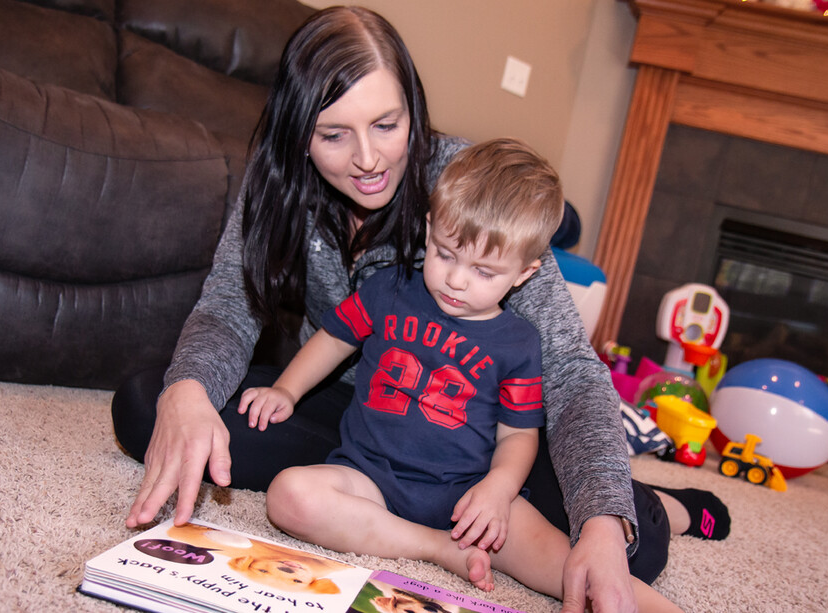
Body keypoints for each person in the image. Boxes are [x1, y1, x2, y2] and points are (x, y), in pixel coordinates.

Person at [110, 7, 729, 613]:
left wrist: (600, 516)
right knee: (149, 410)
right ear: (297, 134)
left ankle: (667, 503)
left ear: (413, 108)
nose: (368, 159)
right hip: (352, 411)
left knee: (626, 550)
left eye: (387, 124)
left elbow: (570, 369)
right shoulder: (275, 186)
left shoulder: (470, 195)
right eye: (333, 135)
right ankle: (410, 523)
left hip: (472, 428)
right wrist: (188, 391)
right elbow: (228, 305)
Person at [240, 138, 681, 612]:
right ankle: (434, 548)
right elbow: (333, 339)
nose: (456, 279)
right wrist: (286, 388)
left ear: (524, 273)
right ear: (430, 230)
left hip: (468, 495)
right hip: (367, 474)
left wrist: (497, 490)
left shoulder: (518, 342)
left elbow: (517, 437)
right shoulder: (389, 288)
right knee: (289, 498)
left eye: (484, 271)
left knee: (576, 567)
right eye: (446, 254)